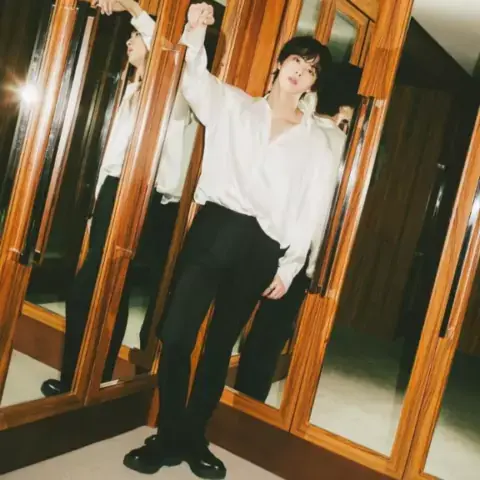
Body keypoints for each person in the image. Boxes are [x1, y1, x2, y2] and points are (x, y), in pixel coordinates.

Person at [121, 3, 338, 479]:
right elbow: (193, 79)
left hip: (262, 247)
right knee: (176, 334)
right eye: (296, 61)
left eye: (310, 71)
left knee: (220, 347)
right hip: (215, 228)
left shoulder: (316, 145)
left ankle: (192, 436)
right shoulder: (234, 106)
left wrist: (290, 267)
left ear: (312, 84)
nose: (300, 73)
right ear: (280, 63)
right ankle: (168, 433)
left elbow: (313, 211)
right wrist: (195, 29)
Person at [41, 0, 192, 396]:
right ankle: (84, 378)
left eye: (136, 35)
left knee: (100, 288)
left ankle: (85, 380)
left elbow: (165, 49)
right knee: (103, 289)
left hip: (144, 197)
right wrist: (97, 203)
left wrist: (130, 5)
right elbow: (112, 160)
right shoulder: (131, 90)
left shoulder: (174, 94)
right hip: (113, 191)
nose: (129, 40)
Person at [234, 64, 362, 403]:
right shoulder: (335, 143)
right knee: (269, 332)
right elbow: (320, 211)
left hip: (259, 232)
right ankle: (247, 404)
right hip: (295, 245)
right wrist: (313, 264)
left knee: (232, 321)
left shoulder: (293, 122)